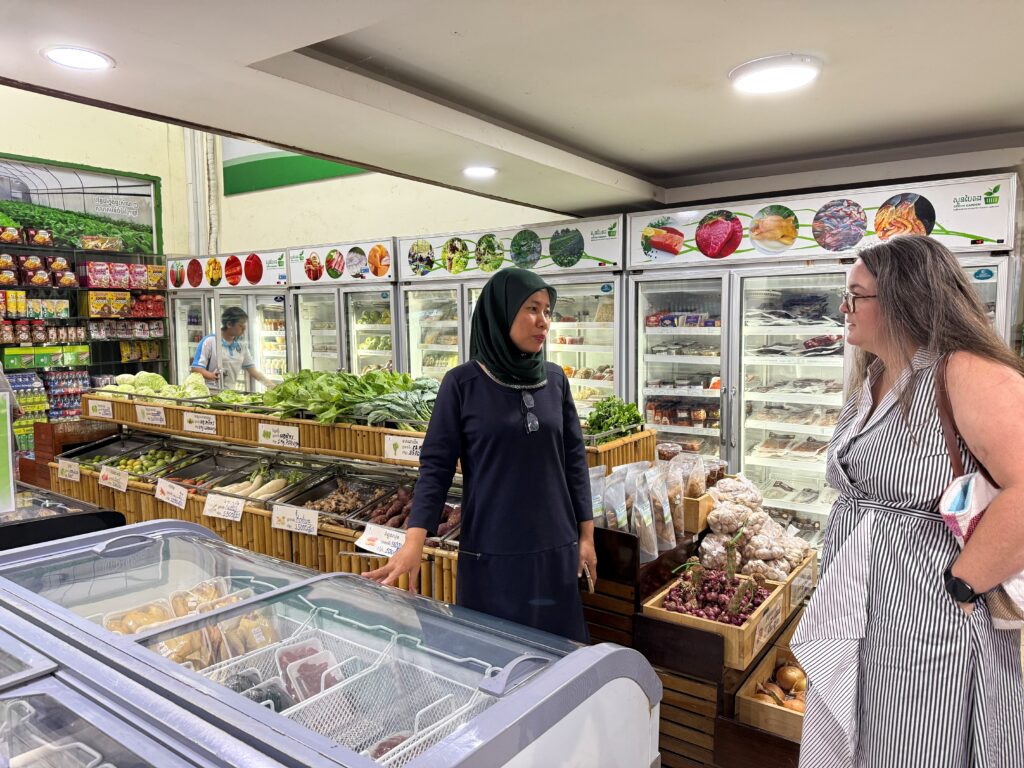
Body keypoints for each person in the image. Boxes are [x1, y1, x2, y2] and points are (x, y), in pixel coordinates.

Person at [791, 235, 1024, 767]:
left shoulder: (966, 372)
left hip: (931, 621)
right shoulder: (875, 374)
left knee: (917, 745)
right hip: (865, 612)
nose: (843, 310)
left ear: (904, 298)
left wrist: (964, 581)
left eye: (855, 296)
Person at [364, 268, 596, 642]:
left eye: (548, 311)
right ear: (501, 313)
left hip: (554, 547)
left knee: (558, 661)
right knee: (493, 657)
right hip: (492, 550)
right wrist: (413, 542)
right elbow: (436, 468)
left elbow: (574, 461)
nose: (544, 322)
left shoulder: (555, 380)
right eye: (532, 309)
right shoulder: (462, 384)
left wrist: (586, 537)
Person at [191, 307, 273, 391]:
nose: (244, 329)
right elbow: (196, 368)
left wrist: (271, 386)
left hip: (230, 392)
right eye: (241, 326)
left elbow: (253, 371)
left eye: (245, 326)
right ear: (229, 324)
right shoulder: (209, 341)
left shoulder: (241, 345)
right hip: (209, 392)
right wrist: (212, 376)